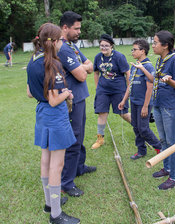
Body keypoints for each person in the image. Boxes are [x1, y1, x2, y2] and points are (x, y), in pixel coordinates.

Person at [27, 23, 80, 224]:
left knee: (45, 160)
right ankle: (56, 215)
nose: (62, 44)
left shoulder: (33, 59)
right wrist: (66, 92)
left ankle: (50, 203)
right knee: (56, 166)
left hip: (41, 114)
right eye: (61, 40)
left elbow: (30, 92)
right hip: (55, 115)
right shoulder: (53, 64)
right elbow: (54, 99)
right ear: (56, 42)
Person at [58, 11, 95, 197]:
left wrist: (84, 68)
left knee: (79, 135)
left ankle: (79, 167)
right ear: (65, 28)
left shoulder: (71, 46)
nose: (79, 31)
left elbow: (90, 64)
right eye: (76, 28)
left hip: (80, 97)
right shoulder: (62, 48)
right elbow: (81, 74)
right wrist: (83, 69)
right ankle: (66, 182)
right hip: (71, 100)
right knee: (73, 138)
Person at [151, 30, 175, 190]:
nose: (153, 45)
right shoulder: (159, 60)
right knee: (163, 140)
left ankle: (174, 178)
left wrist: (170, 81)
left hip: (170, 106)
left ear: (165, 46)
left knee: (172, 142)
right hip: (157, 103)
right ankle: (167, 168)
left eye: (155, 42)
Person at [118, 39, 161, 159]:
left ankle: (159, 147)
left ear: (142, 51)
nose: (132, 52)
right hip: (134, 101)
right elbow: (130, 85)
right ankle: (141, 150)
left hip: (143, 103)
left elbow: (150, 86)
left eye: (134, 49)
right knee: (136, 127)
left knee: (143, 128)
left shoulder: (147, 66)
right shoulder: (134, 66)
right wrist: (124, 100)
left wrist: (146, 106)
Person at [91, 34, 131, 149]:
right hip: (103, 90)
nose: (103, 48)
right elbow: (96, 72)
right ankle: (100, 139)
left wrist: (128, 87)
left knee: (123, 113)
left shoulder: (119, 57)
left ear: (111, 46)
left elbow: (127, 73)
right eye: (101, 45)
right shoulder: (98, 57)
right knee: (102, 113)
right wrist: (98, 87)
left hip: (118, 90)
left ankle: (140, 129)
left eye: (106, 46)